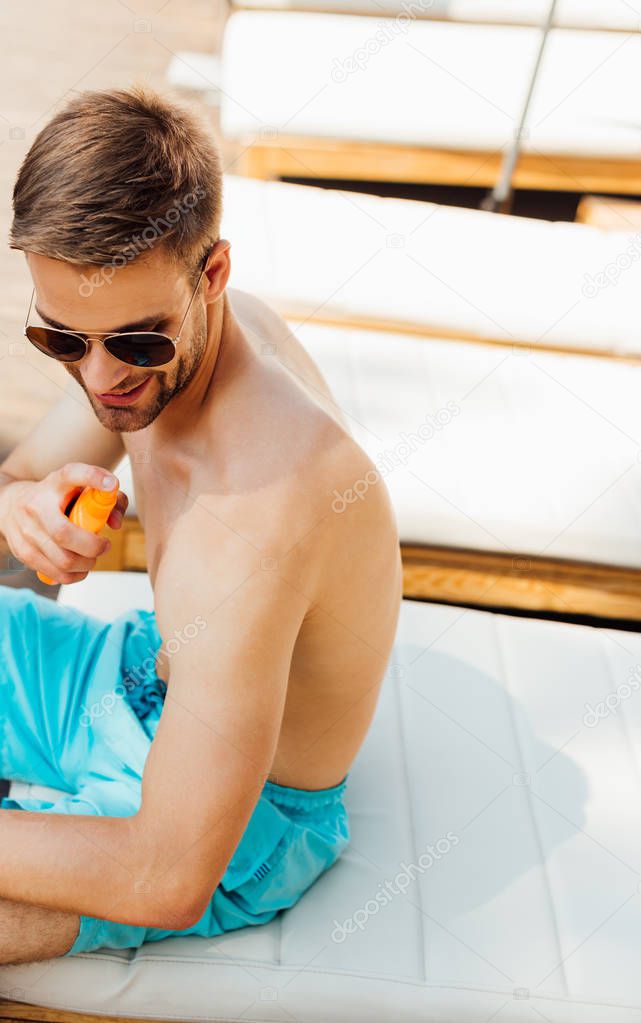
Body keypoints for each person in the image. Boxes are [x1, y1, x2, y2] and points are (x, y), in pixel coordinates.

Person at [0, 84, 401, 962]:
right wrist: (21, 508)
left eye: (136, 343)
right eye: (62, 340)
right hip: (145, 677)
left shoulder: (259, 512)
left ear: (211, 275)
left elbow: (166, 875)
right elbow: (22, 472)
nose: (101, 381)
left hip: (234, 822)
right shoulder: (160, 353)